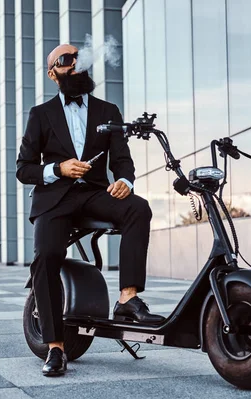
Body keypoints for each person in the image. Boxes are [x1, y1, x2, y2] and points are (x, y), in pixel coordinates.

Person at [16, 43, 164, 377]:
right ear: (53, 74)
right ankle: (55, 347)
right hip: (54, 200)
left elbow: (122, 159)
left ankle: (127, 299)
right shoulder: (40, 115)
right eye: (65, 60)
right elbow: (24, 169)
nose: (76, 63)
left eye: (78, 56)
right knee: (47, 256)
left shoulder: (108, 110)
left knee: (138, 209)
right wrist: (58, 168)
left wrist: (125, 179)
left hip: (95, 194)